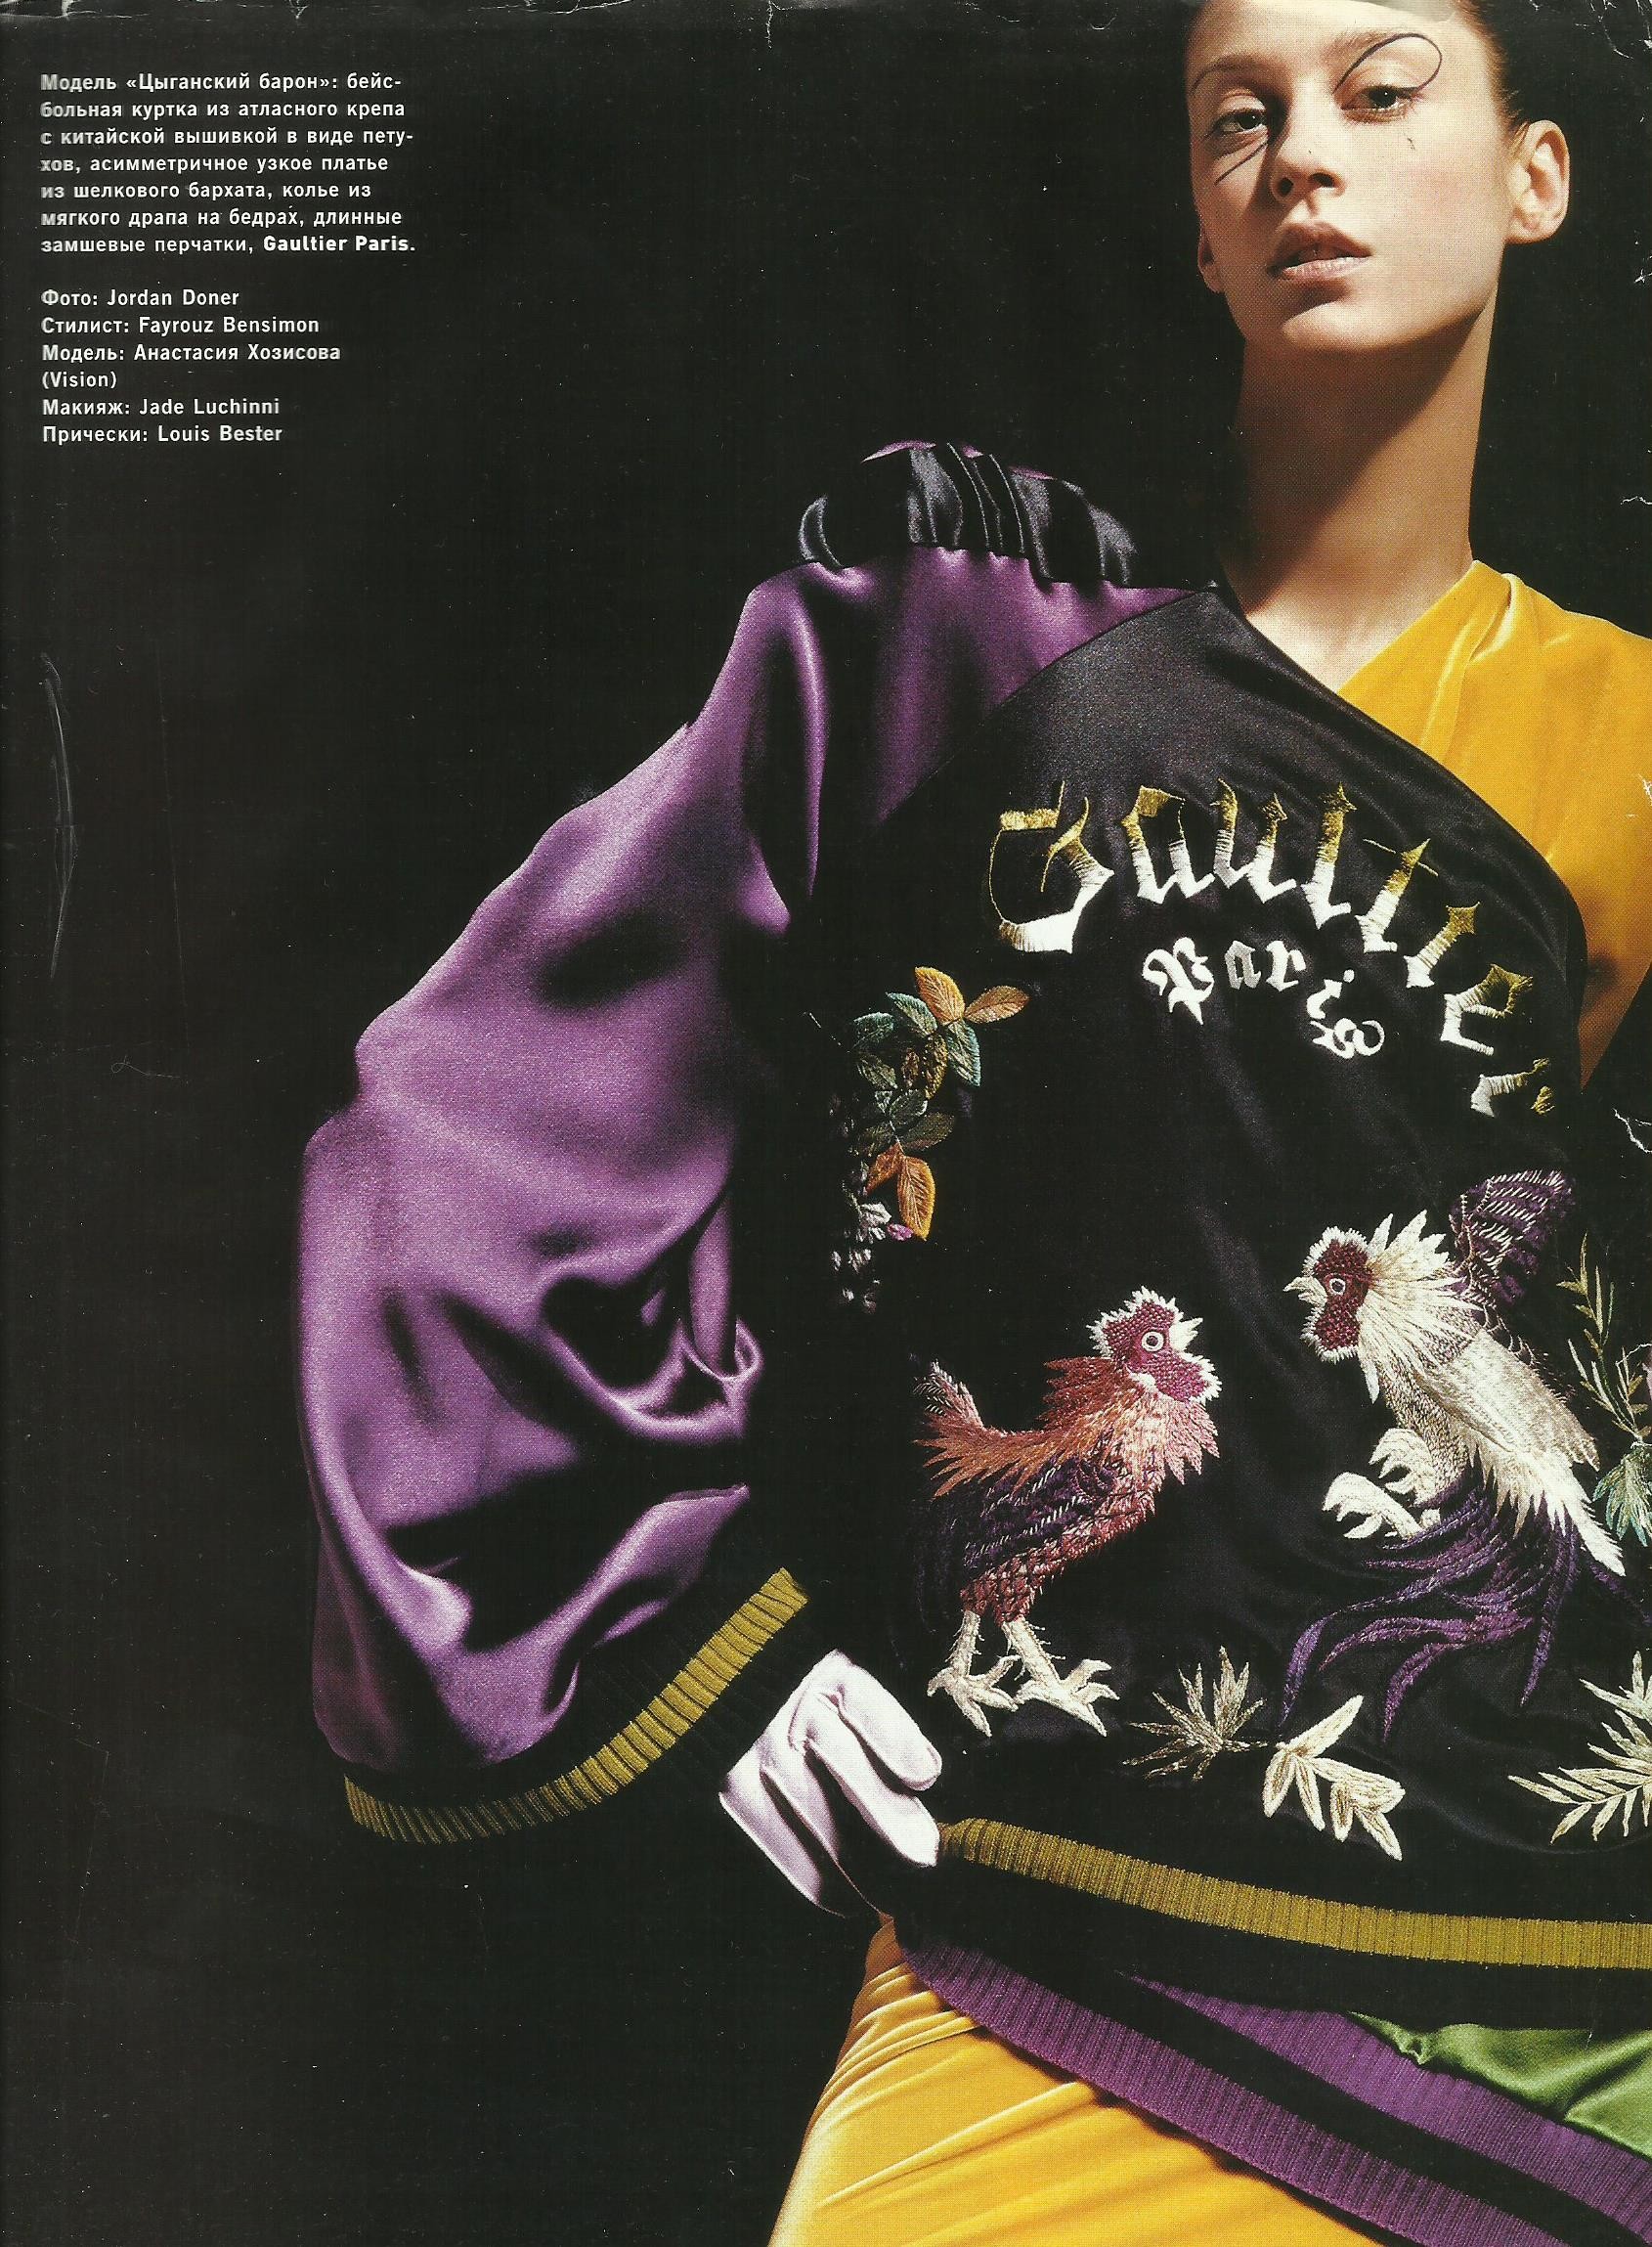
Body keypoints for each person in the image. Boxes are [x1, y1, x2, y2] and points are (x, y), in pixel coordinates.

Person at [296, 1, 1652, 2241]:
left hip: (1560, 1978)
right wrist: (686, 1637)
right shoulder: (950, 637)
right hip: (1038, 1902)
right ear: (1195, 223)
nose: (1300, 157)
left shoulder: (1623, 735)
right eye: (1237, 117)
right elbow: (472, 1114)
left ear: (1534, 173)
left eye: (1379, 90)